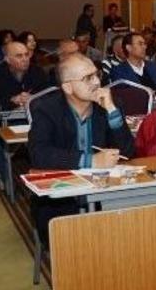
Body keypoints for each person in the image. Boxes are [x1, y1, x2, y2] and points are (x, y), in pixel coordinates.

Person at [28, 53, 135, 244]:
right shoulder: (46, 108)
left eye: (97, 75)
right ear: (67, 87)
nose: (97, 82)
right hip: (61, 195)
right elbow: (39, 154)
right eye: (88, 78)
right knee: (72, 242)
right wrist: (90, 160)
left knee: (130, 228)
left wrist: (111, 111)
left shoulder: (110, 104)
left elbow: (128, 152)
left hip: (104, 190)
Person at [0, 42, 51, 182]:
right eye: (19, 56)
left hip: (35, 122)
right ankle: (9, 182)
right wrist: (12, 100)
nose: (25, 59)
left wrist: (33, 99)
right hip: (4, 123)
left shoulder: (37, 72)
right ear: (7, 59)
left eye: (27, 55)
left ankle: (46, 179)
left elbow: (50, 98)